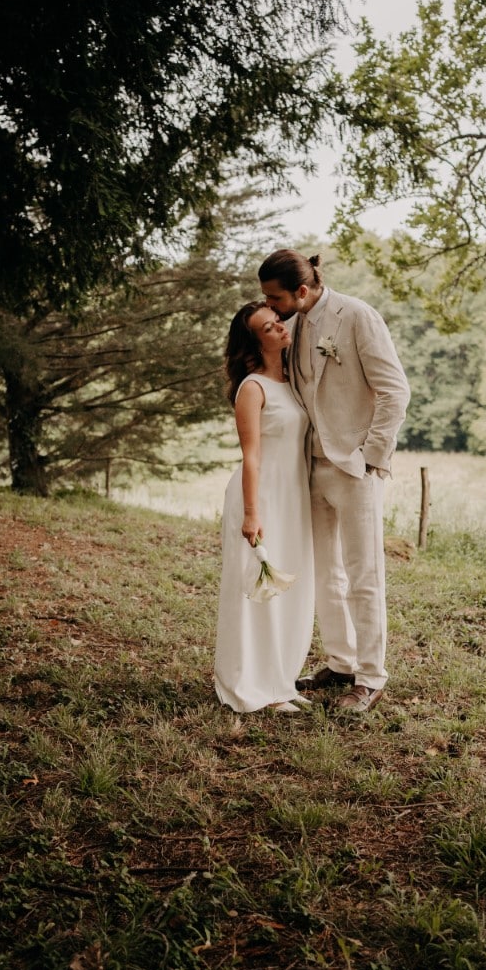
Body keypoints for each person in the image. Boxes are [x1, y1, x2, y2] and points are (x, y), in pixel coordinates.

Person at [258, 249, 410, 714]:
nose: (269, 305)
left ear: (301, 291)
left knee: (365, 575)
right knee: (326, 574)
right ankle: (341, 663)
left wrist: (369, 457)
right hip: (311, 467)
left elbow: (394, 390)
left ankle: (370, 677)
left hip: (354, 467)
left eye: (274, 297)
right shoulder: (295, 322)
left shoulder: (357, 316)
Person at [213, 300, 314, 714]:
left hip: (294, 496)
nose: (280, 329)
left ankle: (280, 679)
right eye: (269, 328)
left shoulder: (293, 381)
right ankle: (252, 686)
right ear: (255, 344)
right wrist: (252, 513)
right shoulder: (252, 388)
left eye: (278, 322)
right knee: (257, 592)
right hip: (261, 496)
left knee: (293, 588)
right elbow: (251, 456)